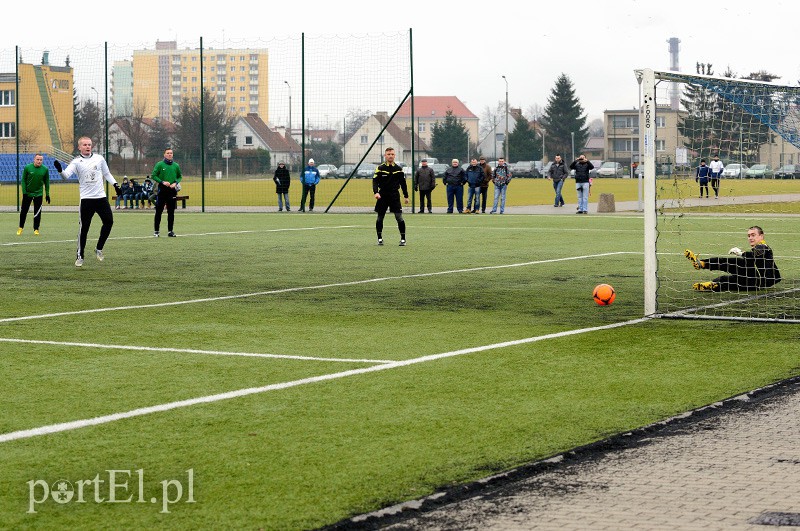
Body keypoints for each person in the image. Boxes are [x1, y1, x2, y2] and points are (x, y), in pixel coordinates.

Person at [53, 136, 121, 267]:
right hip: (86, 200)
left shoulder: (99, 158)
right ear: (79, 147)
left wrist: (116, 185)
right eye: (84, 145)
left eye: (89, 144)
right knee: (84, 229)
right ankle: (80, 255)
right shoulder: (76, 161)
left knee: (109, 222)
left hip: (101, 198)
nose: (88, 146)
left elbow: (107, 174)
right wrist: (60, 170)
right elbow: (66, 176)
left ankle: (99, 248)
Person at [684, 226, 781, 292]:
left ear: (761, 236)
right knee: (730, 281)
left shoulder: (763, 246)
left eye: (753, 235)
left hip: (759, 279)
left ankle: (703, 264)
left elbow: (756, 254)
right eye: (748, 236)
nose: (750, 238)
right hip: (757, 283)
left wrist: (740, 253)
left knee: (735, 263)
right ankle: (712, 284)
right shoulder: (759, 247)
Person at [373, 147, 409, 246]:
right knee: (380, 218)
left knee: (399, 217)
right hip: (382, 195)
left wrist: (406, 196)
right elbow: (375, 181)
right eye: (388, 154)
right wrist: (376, 192)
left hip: (394, 196)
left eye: (392, 154)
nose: (390, 156)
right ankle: (380, 239)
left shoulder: (398, 169)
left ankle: (403, 239)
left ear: (394, 156)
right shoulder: (380, 168)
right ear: (385, 155)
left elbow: (403, 183)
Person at [151, 147, 182, 237]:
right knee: (159, 211)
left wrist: (175, 183)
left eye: (171, 153)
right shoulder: (159, 164)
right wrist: (162, 182)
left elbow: (180, 176)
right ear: (164, 155)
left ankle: (170, 231)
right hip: (162, 190)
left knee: (171, 212)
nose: (169, 154)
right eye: (168, 153)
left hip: (172, 191)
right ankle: (156, 231)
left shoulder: (176, 165)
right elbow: (154, 175)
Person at [17, 153, 50, 236]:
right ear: (34, 160)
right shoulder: (28, 167)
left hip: (39, 194)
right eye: (37, 159)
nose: (39, 161)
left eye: (41, 160)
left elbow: (47, 182)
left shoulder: (45, 169)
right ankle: (20, 228)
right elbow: (23, 180)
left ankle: (36, 229)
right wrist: (24, 192)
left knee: (37, 212)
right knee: (24, 211)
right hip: (28, 194)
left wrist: (47, 194)